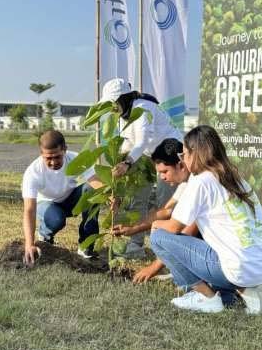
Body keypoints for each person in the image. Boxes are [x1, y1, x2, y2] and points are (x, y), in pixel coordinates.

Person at [149, 125, 262, 314]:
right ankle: (238, 292)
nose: (183, 159)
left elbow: (175, 228)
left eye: (184, 154)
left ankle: (206, 297)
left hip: (238, 269)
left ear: (195, 154)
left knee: (159, 237)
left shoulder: (201, 181)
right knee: (216, 245)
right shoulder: (236, 178)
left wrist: (154, 223)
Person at [98, 78, 183, 259]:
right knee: (137, 196)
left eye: (113, 103)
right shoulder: (123, 115)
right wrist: (118, 162)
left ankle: (168, 250)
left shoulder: (142, 108)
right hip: (146, 156)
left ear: (123, 98)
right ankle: (135, 245)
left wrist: (127, 163)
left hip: (170, 155)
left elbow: (142, 140)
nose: (111, 108)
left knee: (164, 201)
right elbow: (128, 143)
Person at [111, 138, 195, 283]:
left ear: (180, 164)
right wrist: (132, 228)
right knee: (160, 228)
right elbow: (166, 210)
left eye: (165, 172)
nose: (162, 177)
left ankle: (192, 279)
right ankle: (181, 271)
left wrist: (154, 267)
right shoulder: (187, 181)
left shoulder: (197, 184)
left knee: (159, 233)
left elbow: (184, 230)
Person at [22, 130, 107, 267]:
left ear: (65, 150)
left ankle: (86, 246)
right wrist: (29, 244)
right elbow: (29, 210)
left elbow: (95, 181)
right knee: (57, 219)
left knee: (91, 190)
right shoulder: (33, 172)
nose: (53, 162)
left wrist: (111, 197)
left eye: (57, 157)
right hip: (47, 203)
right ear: (41, 154)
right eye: (48, 158)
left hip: (70, 199)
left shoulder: (75, 159)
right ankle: (45, 236)